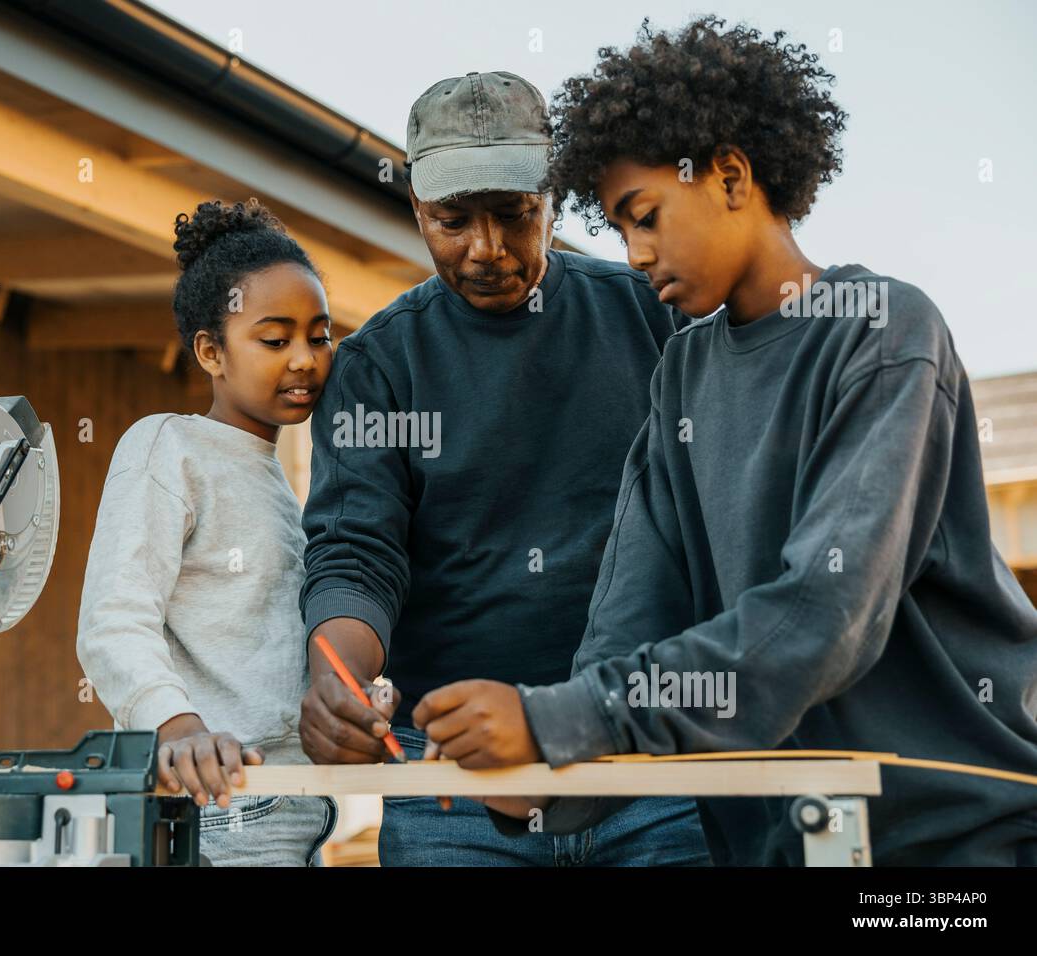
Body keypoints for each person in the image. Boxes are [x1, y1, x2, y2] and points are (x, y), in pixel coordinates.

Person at [413, 18, 1037, 865]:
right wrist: (543, 768)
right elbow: (628, 620)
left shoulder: (882, 332)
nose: (633, 254)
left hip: (949, 842)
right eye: (617, 229)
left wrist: (561, 721)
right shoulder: (683, 372)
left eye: (645, 216)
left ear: (732, 175)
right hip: (778, 843)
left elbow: (824, 615)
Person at [299, 71, 709, 865]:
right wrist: (335, 675)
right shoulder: (381, 364)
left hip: (653, 764)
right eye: (453, 221)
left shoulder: (653, 319)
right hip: (456, 785)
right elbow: (358, 550)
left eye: (514, 216)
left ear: (553, 197)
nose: (485, 249)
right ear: (417, 208)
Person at [77, 199, 339, 866]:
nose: (305, 360)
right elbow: (113, 622)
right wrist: (177, 725)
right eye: (275, 340)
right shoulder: (171, 447)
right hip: (211, 807)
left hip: (300, 808)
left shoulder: (285, 481)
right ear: (210, 351)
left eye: (320, 335)